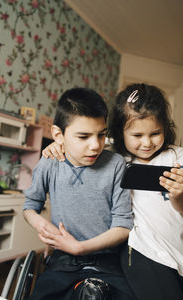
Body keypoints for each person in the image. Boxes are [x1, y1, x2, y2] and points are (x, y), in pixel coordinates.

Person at [43, 83, 183, 300]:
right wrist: (56, 145)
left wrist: (179, 197)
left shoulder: (177, 157)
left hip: (177, 246)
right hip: (141, 250)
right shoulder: (112, 156)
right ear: (120, 132)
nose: (147, 143)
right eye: (137, 135)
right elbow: (82, 142)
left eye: (155, 133)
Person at [23, 87, 136, 300]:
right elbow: (30, 206)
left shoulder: (115, 164)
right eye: (83, 137)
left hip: (108, 262)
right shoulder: (49, 163)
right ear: (59, 135)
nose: (95, 146)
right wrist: (42, 225)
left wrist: (80, 248)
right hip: (63, 261)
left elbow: (123, 226)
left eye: (101, 135)